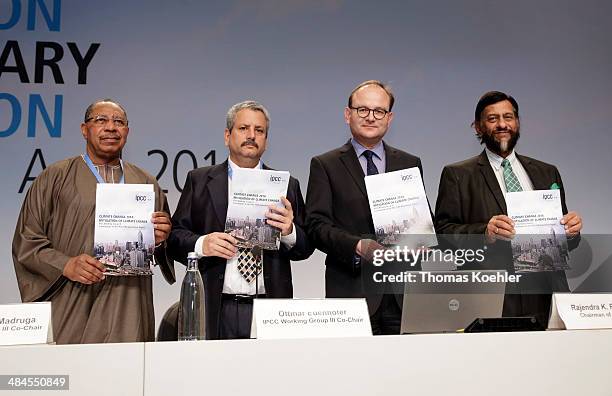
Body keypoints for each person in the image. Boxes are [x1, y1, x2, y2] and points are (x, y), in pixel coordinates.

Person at [12, 98, 175, 344]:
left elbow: (162, 250)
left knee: (127, 373)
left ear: (127, 132)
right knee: (72, 372)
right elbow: (27, 242)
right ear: (84, 129)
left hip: (128, 302)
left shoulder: (145, 182)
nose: (111, 127)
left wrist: (162, 239)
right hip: (72, 297)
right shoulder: (55, 177)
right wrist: (65, 265)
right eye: (101, 120)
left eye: (118, 122)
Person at [167, 100, 313, 339]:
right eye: (243, 128)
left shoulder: (287, 184)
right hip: (217, 306)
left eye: (259, 130)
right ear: (227, 135)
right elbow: (174, 238)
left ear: (266, 140)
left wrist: (289, 232)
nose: (251, 136)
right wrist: (202, 244)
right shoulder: (200, 180)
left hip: (270, 308)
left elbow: (306, 247)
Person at [434, 90, 582, 325]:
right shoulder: (458, 175)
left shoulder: (547, 172)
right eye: (492, 119)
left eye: (508, 117)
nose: (502, 124)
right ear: (478, 127)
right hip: (491, 295)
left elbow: (563, 238)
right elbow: (442, 234)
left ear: (518, 122)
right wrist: (485, 233)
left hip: (545, 294)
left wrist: (572, 232)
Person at [305, 80, 425, 335]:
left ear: (389, 118)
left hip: (403, 294)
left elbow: (421, 218)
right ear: (348, 114)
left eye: (379, 111)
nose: (371, 117)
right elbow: (315, 225)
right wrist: (356, 246)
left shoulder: (410, 163)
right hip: (352, 291)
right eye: (363, 110)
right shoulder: (325, 165)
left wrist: (424, 237)